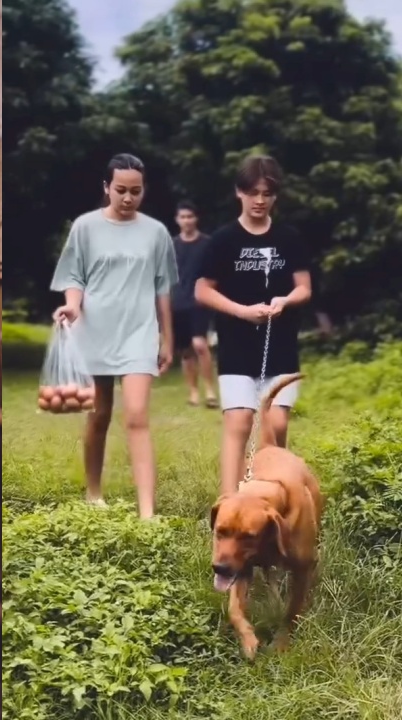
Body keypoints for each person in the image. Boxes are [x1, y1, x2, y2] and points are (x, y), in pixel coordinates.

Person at [50, 153, 177, 519]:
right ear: (106, 187)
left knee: (136, 415)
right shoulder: (85, 227)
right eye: (120, 190)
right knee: (99, 413)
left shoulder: (156, 232)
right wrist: (73, 306)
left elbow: (162, 289)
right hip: (95, 329)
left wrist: (167, 337)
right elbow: (74, 277)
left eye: (135, 191)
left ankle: (147, 512)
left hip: (138, 332)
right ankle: (93, 492)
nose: (127, 198)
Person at [195, 154, 311, 497]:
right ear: (239, 193)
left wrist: (285, 300)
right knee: (240, 421)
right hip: (236, 346)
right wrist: (241, 311)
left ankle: (275, 492)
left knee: (276, 422)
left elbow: (303, 286)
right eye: (253, 192)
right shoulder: (223, 240)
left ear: (275, 196)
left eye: (267, 193)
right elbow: (202, 290)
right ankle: (229, 501)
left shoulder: (289, 237)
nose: (259, 200)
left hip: (282, 347)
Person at [170, 200, 218, 408]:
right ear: (177, 220)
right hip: (177, 302)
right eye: (183, 217)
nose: (187, 221)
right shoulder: (171, 245)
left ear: (196, 219)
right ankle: (193, 392)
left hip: (200, 300)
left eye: (190, 216)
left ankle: (209, 391)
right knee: (186, 351)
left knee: (200, 344)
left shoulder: (208, 243)